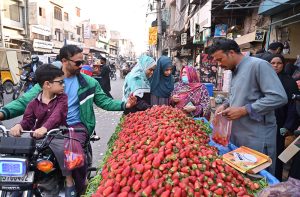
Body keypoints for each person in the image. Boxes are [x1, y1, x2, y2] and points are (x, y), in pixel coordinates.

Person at [0, 45, 136, 196]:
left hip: (75, 127)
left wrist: (125, 105)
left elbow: (105, 102)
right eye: (78, 63)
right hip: (48, 127)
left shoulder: (89, 83)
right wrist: (3, 113)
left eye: (82, 62)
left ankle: (79, 184)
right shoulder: (49, 81)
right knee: (31, 154)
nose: (81, 66)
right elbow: (25, 102)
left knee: (74, 153)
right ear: (64, 61)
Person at [209, 38, 287, 175]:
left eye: (220, 60)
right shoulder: (234, 70)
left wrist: (245, 110)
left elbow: (278, 97)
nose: (219, 64)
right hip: (238, 136)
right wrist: (226, 104)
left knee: (258, 179)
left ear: (231, 53)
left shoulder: (259, 66)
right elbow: (242, 95)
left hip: (257, 138)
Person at [9, 64, 75, 196]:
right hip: (38, 137)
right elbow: (28, 120)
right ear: (47, 84)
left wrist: (45, 128)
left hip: (57, 134)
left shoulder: (62, 99)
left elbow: (57, 116)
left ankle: (69, 179)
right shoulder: (34, 103)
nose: (63, 85)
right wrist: (19, 126)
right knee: (22, 153)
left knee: (64, 152)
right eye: (60, 82)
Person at [269, 54, 299, 180]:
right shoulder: (266, 79)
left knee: (278, 153)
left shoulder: (289, 82)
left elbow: (294, 106)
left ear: (283, 64)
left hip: (280, 124)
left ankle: (275, 179)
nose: (275, 66)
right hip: (265, 123)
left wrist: (288, 126)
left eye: (279, 63)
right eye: (273, 63)